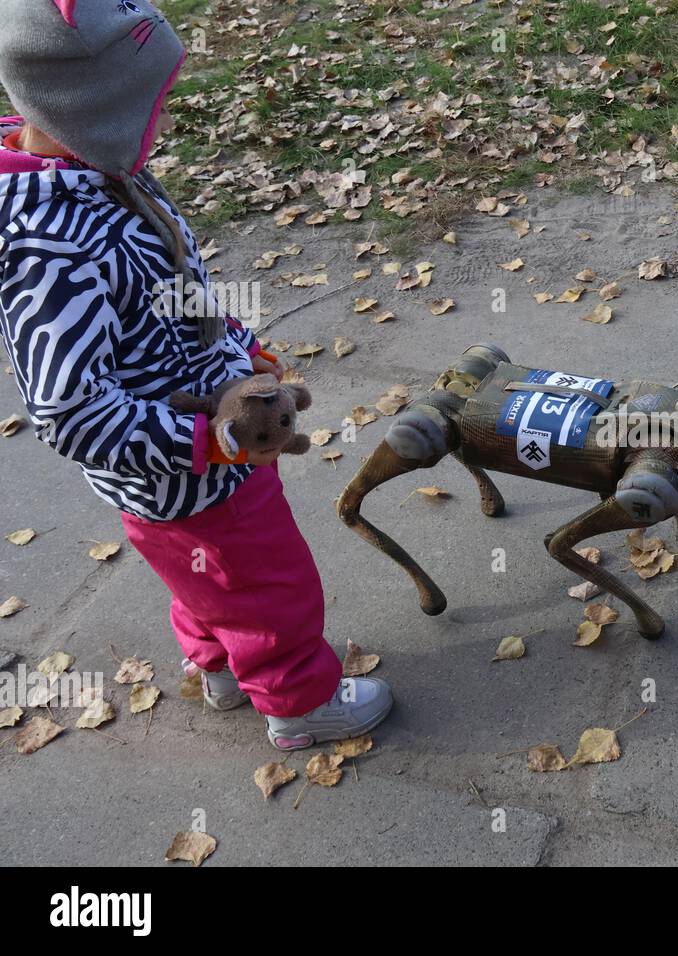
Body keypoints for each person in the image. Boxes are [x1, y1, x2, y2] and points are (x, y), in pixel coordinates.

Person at [0, 0, 391, 750]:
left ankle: (217, 671)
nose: (165, 117)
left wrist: (240, 350)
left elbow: (175, 285)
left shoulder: (101, 174)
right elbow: (70, 408)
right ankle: (298, 703)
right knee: (270, 586)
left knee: (205, 579)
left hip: (199, 454)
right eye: (154, 102)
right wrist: (206, 442)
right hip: (187, 472)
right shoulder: (53, 248)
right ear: (96, 107)